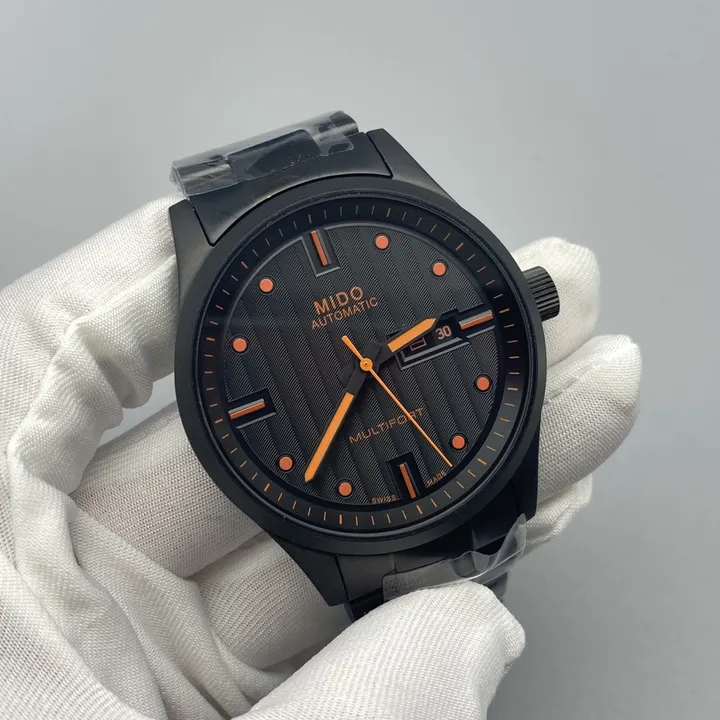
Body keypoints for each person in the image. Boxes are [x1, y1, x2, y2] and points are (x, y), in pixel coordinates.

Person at [0, 196, 641, 719]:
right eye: (362, 364)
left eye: (370, 359)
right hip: (330, 507)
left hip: (395, 476)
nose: (366, 364)